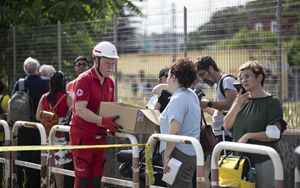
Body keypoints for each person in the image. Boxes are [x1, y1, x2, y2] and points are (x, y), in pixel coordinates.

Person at [224, 61, 286, 188]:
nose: (243, 80)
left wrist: (248, 136)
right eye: (241, 78)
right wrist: (236, 104)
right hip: (240, 162)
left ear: (259, 77)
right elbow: (227, 125)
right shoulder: (241, 101)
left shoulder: (272, 102)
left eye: (247, 76)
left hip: (263, 161)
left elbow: (274, 133)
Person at [70, 41, 121, 188]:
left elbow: (111, 108)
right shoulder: (84, 80)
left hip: (100, 137)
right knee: (83, 180)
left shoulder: (110, 83)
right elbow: (80, 109)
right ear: (96, 60)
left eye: (113, 63)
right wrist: (102, 121)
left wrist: (114, 123)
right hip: (83, 137)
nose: (111, 67)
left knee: (96, 180)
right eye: (107, 63)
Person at [160, 58, 201, 188]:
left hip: (178, 153)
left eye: (168, 74)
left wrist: (166, 155)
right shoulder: (191, 94)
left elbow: (174, 130)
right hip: (190, 153)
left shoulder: (178, 98)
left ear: (173, 76)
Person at [12, 57, 49, 188]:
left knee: (24, 155)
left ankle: (25, 182)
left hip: (23, 126)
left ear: (25, 69)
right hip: (41, 126)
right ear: (37, 68)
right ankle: (39, 182)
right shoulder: (46, 83)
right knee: (39, 155)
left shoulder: (20, 83)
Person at [36, 71, 71, 188]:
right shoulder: (67, 97)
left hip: (46, 134)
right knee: (59, 166)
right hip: (61, 136)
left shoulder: (44, 97)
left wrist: (48, 118)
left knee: (47, 163)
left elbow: (37, 116)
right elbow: (74, 114)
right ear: (63, 83)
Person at [195, 56, 237, 141]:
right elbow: (220, 111)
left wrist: (208, 103)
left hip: (227, 135)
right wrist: (205, 108)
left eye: (202, 74)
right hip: (220, 134)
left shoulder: (227, 80)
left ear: (210, 68)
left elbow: (231, 105)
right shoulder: (217, 84)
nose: (202, 79)